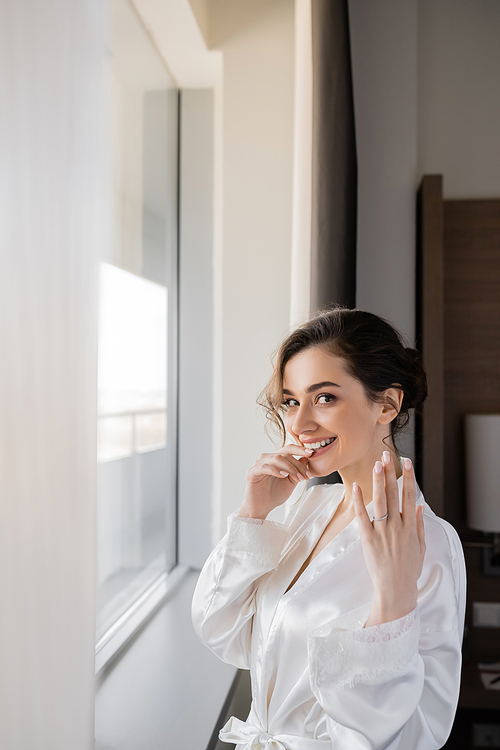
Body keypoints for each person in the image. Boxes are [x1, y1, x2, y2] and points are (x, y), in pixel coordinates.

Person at [191, 306, 466, 750]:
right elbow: (224, 632)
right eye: (291, 401)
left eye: (324, 398)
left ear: (388, 404)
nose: (299, 425)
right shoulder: (308, 507)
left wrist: (392, 602)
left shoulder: (425, 539)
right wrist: (252, 514)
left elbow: (416, 734)